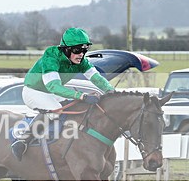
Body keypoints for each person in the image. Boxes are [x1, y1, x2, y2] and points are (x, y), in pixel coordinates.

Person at [10, 28, 115, 160]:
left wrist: (113, 93)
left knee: (76, 107)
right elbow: (53, 86)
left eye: (84, 50)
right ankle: (23, 139)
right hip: (34, 91)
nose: (81, 54)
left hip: (52, 92)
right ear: (66, 49)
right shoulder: (51, 57)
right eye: (77, 50)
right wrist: (82, 96)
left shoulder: (81, 61)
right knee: (56, 111)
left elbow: (97, 79)